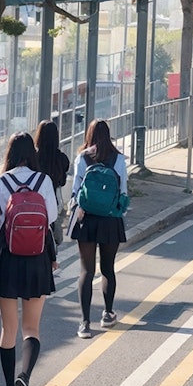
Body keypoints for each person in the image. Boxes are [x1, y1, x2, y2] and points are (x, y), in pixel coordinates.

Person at [0, 132, 59, 386]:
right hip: (37, 258)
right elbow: (51, 217)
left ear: (10, 153)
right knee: (31, 327)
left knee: (8, 327)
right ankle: (23, 376)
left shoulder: (2, 181)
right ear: (32, 154)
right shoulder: (44, 180)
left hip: (7, 259)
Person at [70, 119, 128, 339]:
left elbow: (76, 189)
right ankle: (108, 314)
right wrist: (119, 211)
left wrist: (77, 210)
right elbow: (123, 190)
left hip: (87, 219)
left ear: (90, 135)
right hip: (110, 219)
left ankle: (85, 323)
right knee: (108, 268)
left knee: (86, 270)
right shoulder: (119, 159)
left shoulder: (82, 157)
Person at [33, 120, 70, 246]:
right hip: (53, 203)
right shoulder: (62, 158)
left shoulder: (33, 158)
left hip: (35, 203)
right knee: (53, 240)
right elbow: (63, 182)